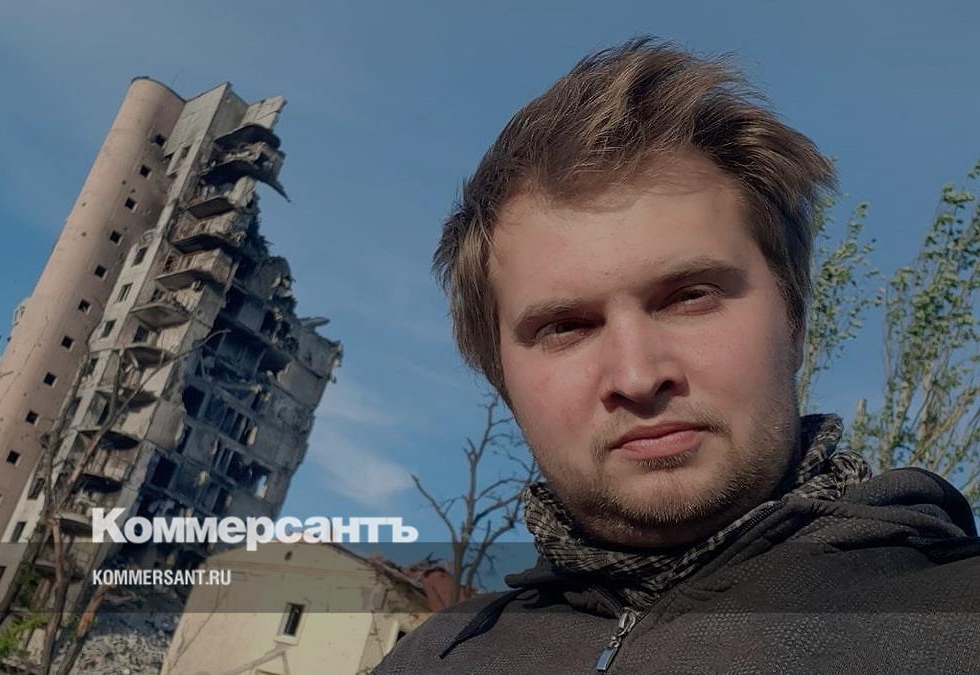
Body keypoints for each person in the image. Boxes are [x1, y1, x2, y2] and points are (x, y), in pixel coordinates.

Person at [377, 37, 980, 674]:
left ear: (795, 320)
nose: (638, 376)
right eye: (566, 327)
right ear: (501, 379)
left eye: (690, 297)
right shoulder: (430, 659)